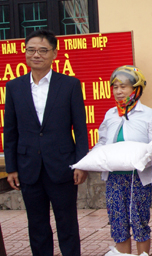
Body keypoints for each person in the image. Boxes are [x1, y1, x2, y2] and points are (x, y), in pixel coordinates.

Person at [4, 29, 88, 256]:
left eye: (42, 50)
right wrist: (11, 167)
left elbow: (80, 129)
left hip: (62, 166)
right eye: (31, 50)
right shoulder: (13, 87)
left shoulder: (69, 85)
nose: (36, 55)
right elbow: (10, 131)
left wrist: (81, 163)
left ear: (54, 54)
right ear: (25, 53)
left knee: (67, 224)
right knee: (37, 225)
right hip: (28, 167)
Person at [95, 65, 152, 255]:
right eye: (115, 87)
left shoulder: (149, 115)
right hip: (114, 179)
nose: (119, 91)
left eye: (123, 87)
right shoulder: (110, 115)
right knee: (118, 223)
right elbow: (102, 142)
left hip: (139, 179)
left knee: (139, 221)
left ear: (136, 89)